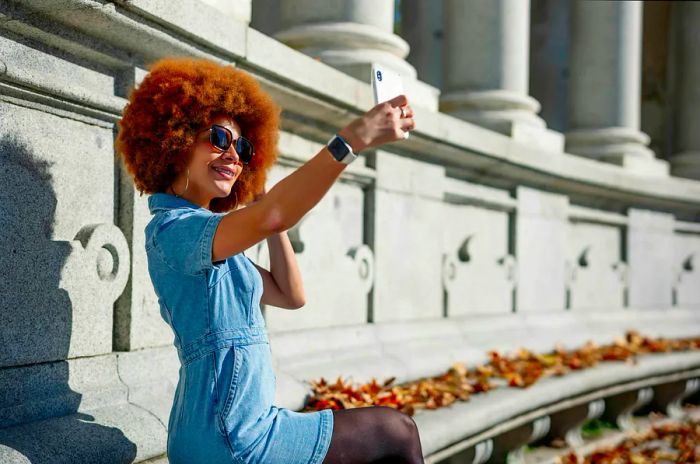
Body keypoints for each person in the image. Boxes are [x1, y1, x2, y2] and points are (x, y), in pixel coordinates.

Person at [115, 56, 423, 464]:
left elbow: (290, 294)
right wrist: (354, 137)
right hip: (230, 435)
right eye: (219, 139)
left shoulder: (212, 240)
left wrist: (265, 208)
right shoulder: (175, 231)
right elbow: (277, 213)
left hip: (241, 426)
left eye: (242, 148)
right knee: (395, 432)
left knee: (394, 432)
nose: (234, 156)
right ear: (174, 139)